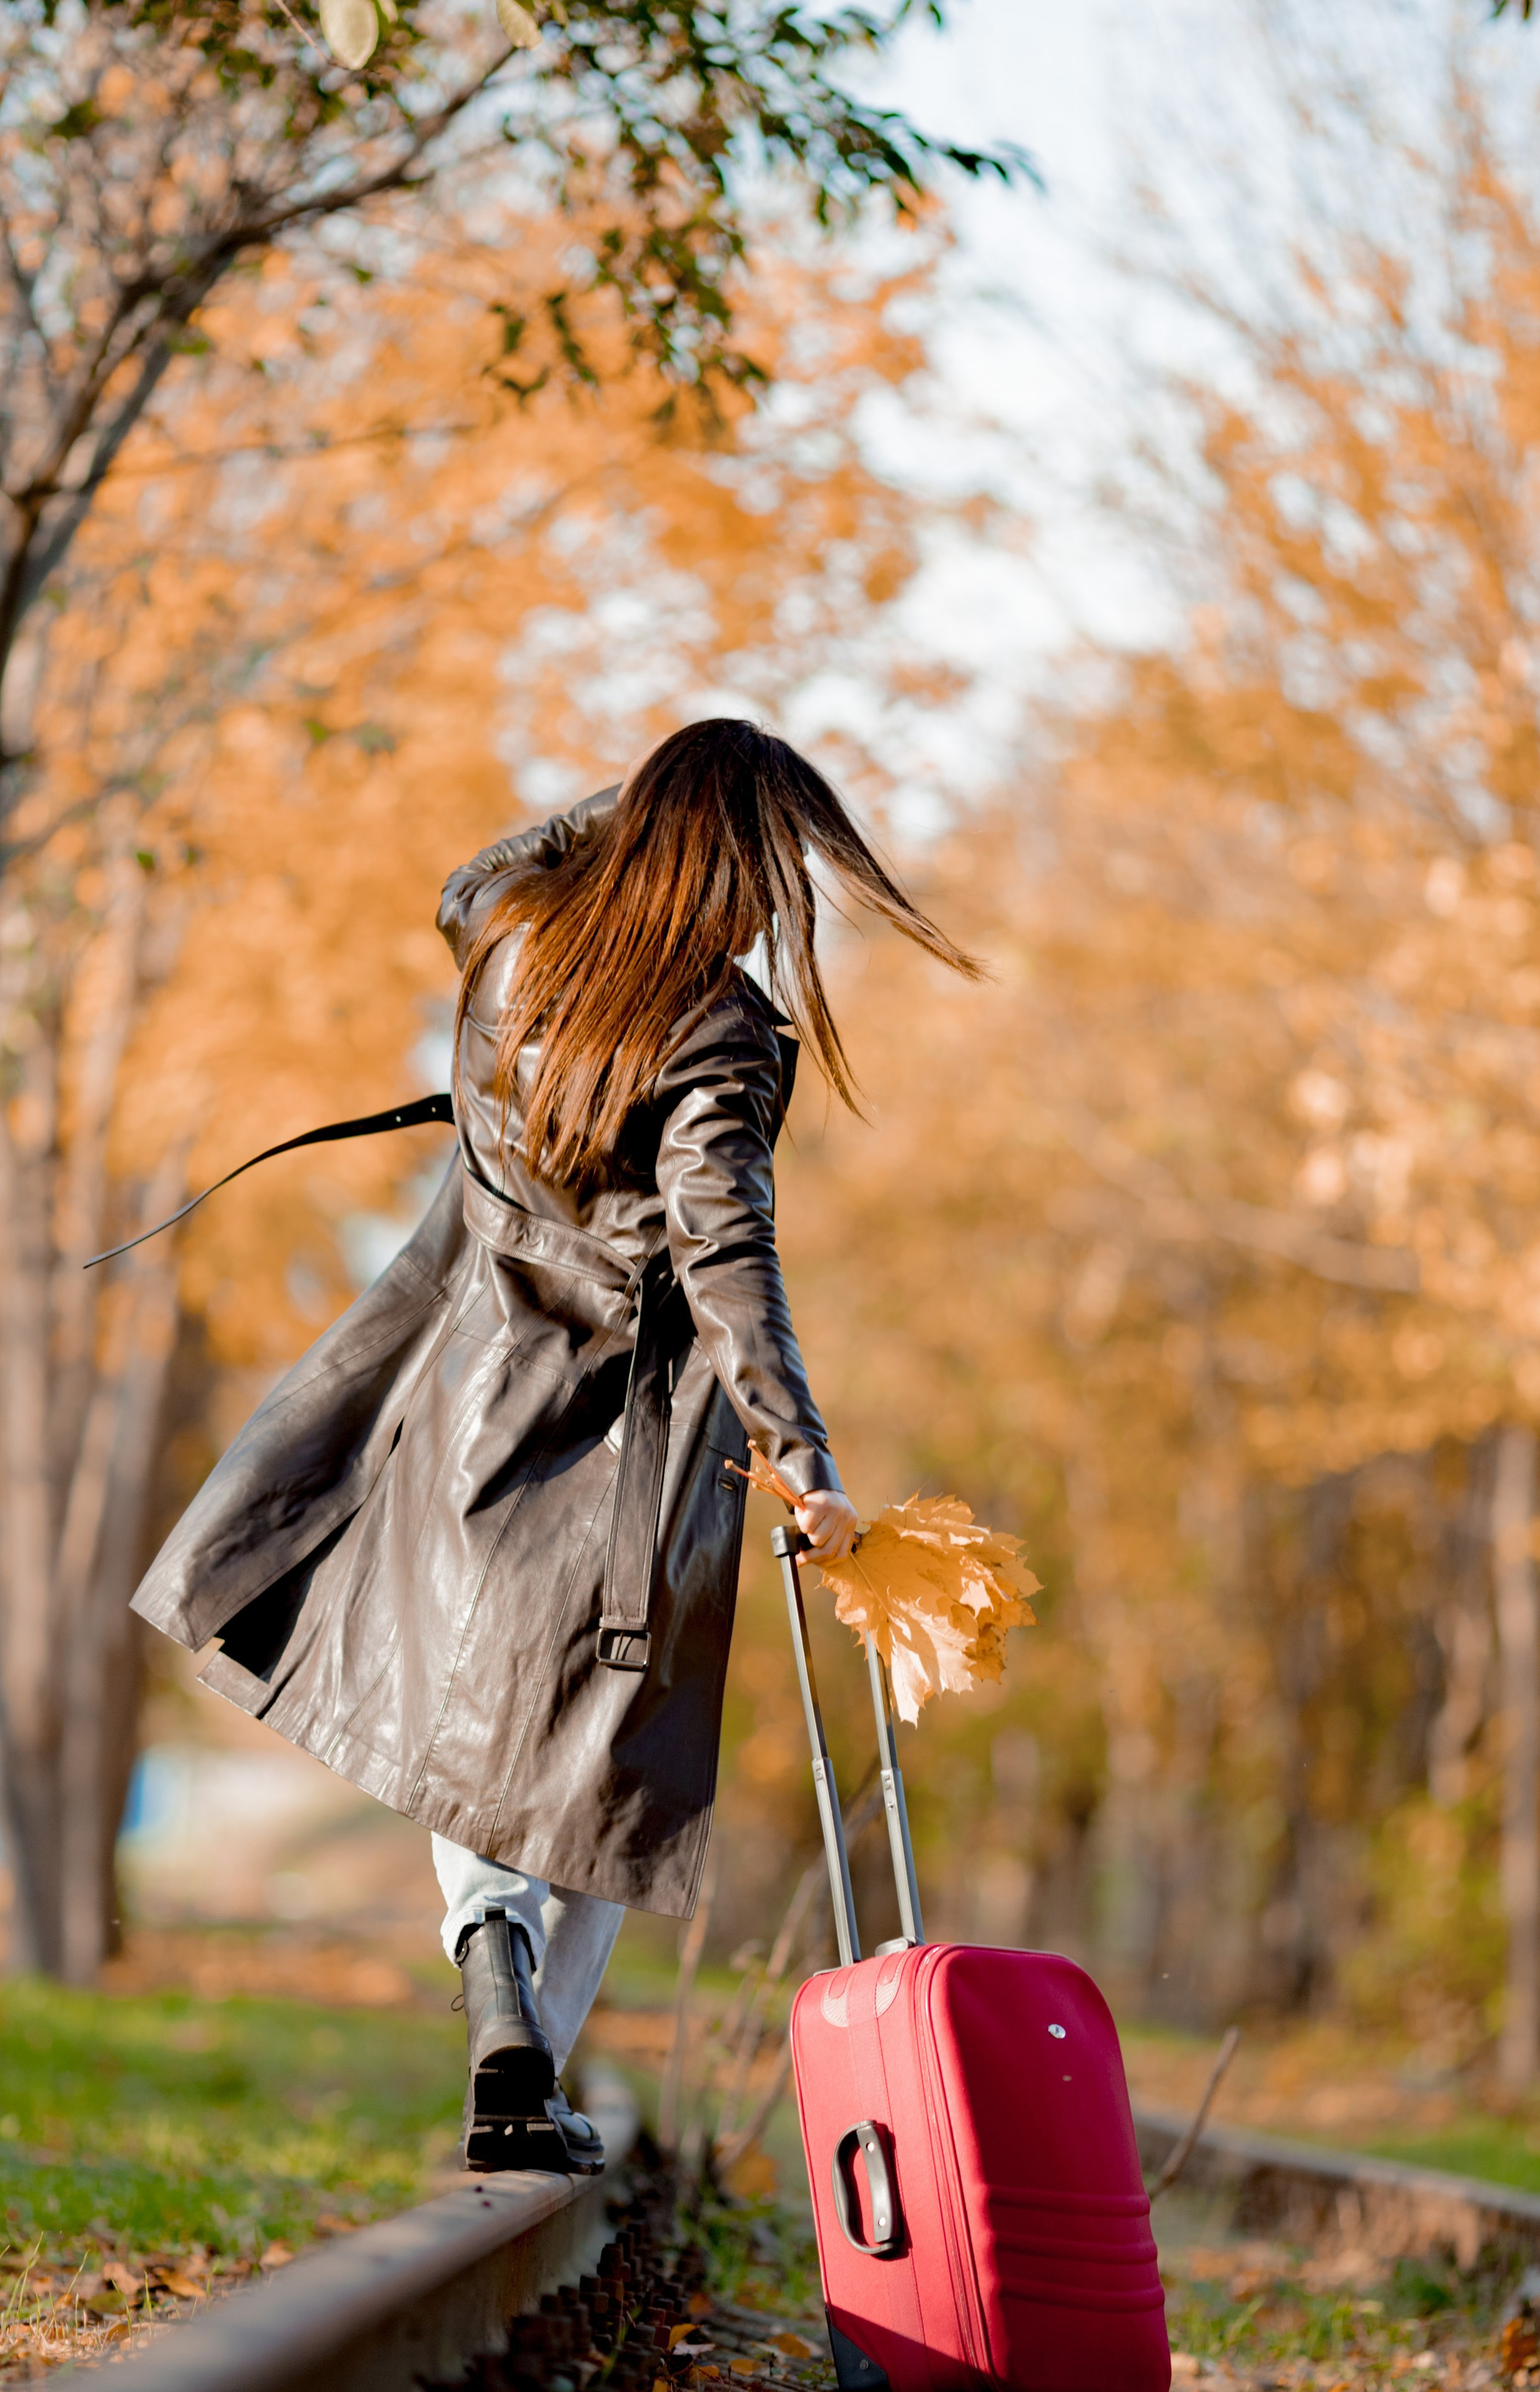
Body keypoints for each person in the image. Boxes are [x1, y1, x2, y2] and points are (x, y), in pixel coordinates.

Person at [132, 717, 977, 2174]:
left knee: (482, 1729)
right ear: (732, 865)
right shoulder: (715, 1029)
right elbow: (726, 1251)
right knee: (593, 1765)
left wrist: (637, 806)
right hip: (622, 1455)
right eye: (768, 864)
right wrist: (803, 1456)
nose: (775, 901)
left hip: (460, 1405)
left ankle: (491, 1968)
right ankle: (529, 2070)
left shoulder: (515, 937)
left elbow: (479, 870)